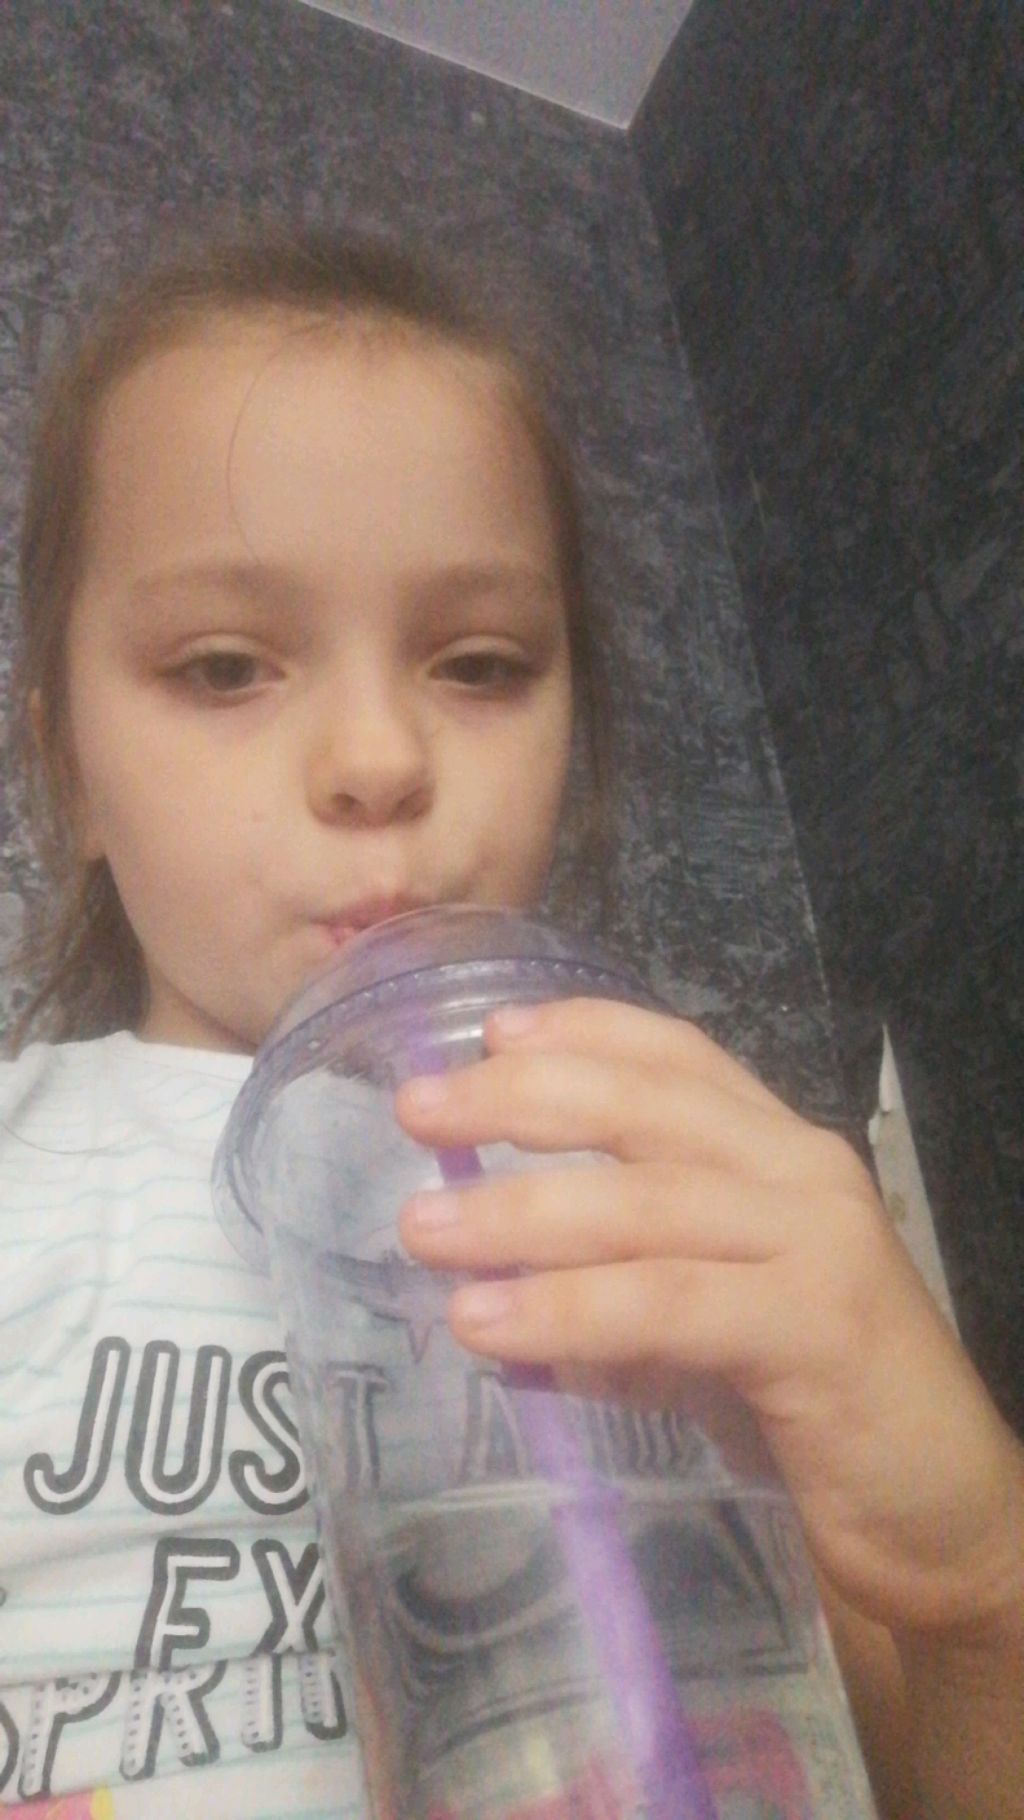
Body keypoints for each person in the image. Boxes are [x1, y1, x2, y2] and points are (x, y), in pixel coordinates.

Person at [0, 215, 1020, 1820]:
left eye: (479, 664)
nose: (379, 759)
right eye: (225, 665)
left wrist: (984, 1596)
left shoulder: (684, 1196)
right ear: (70, 772)